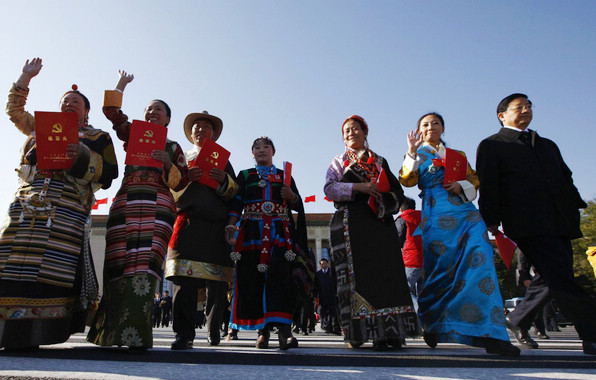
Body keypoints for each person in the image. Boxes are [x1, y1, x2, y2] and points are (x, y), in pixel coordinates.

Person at [0, 58, 118, 350]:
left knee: (52, 268)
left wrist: (80, 153)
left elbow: (110, 174)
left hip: (65, 210)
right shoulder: (40, 127)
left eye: (75, 101)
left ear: (86, 111)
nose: (69, 103)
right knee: (7, 260)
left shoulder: (98, 137)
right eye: (65, 100)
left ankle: (36, 334)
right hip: (26, 205)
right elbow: (14, 112)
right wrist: (25, 77)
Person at [476, 93, 596, 356]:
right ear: (502, 115)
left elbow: (565, 175)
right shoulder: (492, 145)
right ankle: (592, 333)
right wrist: (491, 220)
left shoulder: (546, 144)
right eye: (519, 107)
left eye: (529, 106)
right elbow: (489, 184)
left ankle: (518, 318)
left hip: (560, 219)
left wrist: (574, 203)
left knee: (553, 275)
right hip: (527, 221)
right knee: (562, 276)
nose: (526, 110)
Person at [399, 112, 519, 356]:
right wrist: (411, 152)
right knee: (440, 272)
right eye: (425, 124)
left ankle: (491, 332)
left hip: (465, 213)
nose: (430, 127)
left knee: (481, 260)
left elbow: (474, 180)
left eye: (435, 123)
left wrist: (461, 186)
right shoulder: (418, 155)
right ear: (419, 131)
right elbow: (407, 181)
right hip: (436, 214)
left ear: (443, 127)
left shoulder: (457, 156)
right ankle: (432, 321)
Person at [87, 70, 188, 351]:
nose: (152, 112)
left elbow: (184, 181)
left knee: (145, 266)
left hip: (158, 208)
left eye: (158, 109)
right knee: (118, 262)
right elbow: (111, 110)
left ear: (168, 118)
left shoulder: (173, 146)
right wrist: (122, 83)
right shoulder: (133, 133)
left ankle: (137, 335)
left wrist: (168, 163)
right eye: (148, 109)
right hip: (126, 204)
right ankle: (109, 334)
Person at [324, 115, 418, 351]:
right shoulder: (338, 162)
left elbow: (397, 193)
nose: (350, 133)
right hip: (352, 225)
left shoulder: (379, 161)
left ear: (365, 132)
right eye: (346, 131)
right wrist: (360, 187)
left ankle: (391, 332)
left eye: (355, 129)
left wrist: (383, 199)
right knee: (360, 279)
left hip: (380, 222)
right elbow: (329, 189)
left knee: (388, 276)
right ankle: (363, 331)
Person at [225, 136, 310, 350]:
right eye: (257, 147)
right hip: (252, 232)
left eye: (266, 147)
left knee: (281, 279)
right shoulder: (245, 175)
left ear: (273, 151)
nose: (261, 150)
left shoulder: (284, 176)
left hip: (280, 233)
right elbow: (236, 202)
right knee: (255, 279)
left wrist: (291, 196)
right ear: (252, 153)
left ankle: (284, 330)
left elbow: (298, 203)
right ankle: (262, 332)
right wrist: (230, 225)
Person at [165, 110, 237, 349]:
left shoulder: (224, 161)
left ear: (214, 134)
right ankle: (183, 334)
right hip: (187, 223)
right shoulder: (181, 157)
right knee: (183, 282)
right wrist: (186, 178)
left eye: (206, 127)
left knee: (216, 282)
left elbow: (236, 195)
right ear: (191, 133)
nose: (201, 130)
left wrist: (223, 182)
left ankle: (214, 330)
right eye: (197, 127)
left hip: (215, 226)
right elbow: (169, 188)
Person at [394, 197, 424, 312]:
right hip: (426, 258)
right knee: (423, 292)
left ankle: (418, 314)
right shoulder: (424, 218)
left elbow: (397, 239)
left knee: (407, 291)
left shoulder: (403, 219)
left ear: (402, 208)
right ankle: (427, 320)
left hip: (411, 260)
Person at [313, 258, 340, 335]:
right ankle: (328, 327)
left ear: (327, 264)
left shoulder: (332, 273)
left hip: (332, 295)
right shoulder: (318, 274)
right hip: (323, 296)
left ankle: (336, 328)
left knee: (334, 312)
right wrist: (315, 295)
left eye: (324, 263)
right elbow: (316, 286)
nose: (323, 265)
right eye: (322, 264)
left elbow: (336, 283)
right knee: (324, 313)